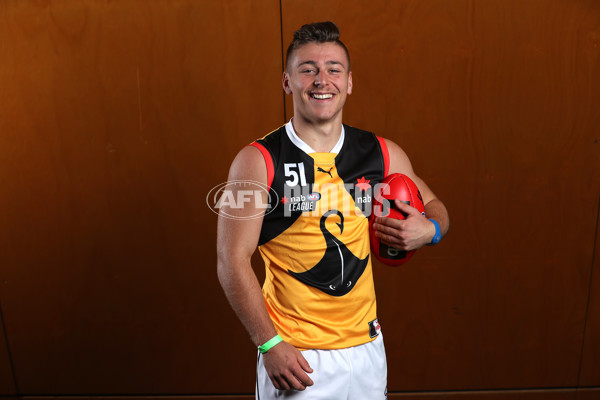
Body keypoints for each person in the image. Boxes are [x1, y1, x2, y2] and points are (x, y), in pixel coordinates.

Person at [216, 21, 449, 399]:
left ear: (349, 82)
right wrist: (268, 344)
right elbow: (231, 260)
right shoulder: (258, 161)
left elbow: (436, 207)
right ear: (287, 82)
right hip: (297, 356)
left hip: (367, 350)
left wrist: (430, 230)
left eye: (333, 70)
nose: (321, 80)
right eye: (307, 69)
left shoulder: (379, 152)